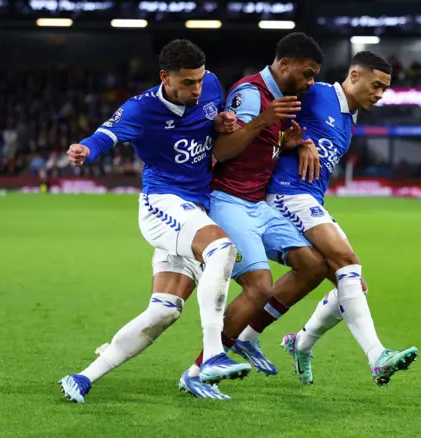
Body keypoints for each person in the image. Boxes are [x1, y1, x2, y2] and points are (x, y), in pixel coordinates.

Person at [58, 39, 299, 403]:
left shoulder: (211, 86)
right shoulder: (141, 110)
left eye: (200, 81)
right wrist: (85, 150)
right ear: (165, 78)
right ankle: (214, 353)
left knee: (164, 312)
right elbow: (105, 135)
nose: (197, 89)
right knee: (222, 249)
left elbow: (216, 123)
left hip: (194, 214)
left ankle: (82, 377)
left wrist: (223, 120)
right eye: (188, 83)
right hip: (163, 204)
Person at [239, 51, 418, 386]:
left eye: (384, 89)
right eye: (375, 85)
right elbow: (269, 120)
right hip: (285, 193)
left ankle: (297, 343)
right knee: (347, 263)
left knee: (351, 285)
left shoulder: (349, 122)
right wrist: (298, 141)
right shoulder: (317, 93)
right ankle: (377, 356)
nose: (379, 95)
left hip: (309, 200)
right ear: (354, 76)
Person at [180, 32, 330, 391]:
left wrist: (290, 142)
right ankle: (198, 372)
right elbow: (224, 148)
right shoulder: (251, 95)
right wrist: (264, 120)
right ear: (284, 65)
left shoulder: (279, 99)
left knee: (314, 265)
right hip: (228, 200)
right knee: (259, 287)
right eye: (307, 74)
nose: (311, 82)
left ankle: (247, 336)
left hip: (257, 204)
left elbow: (258, 146)